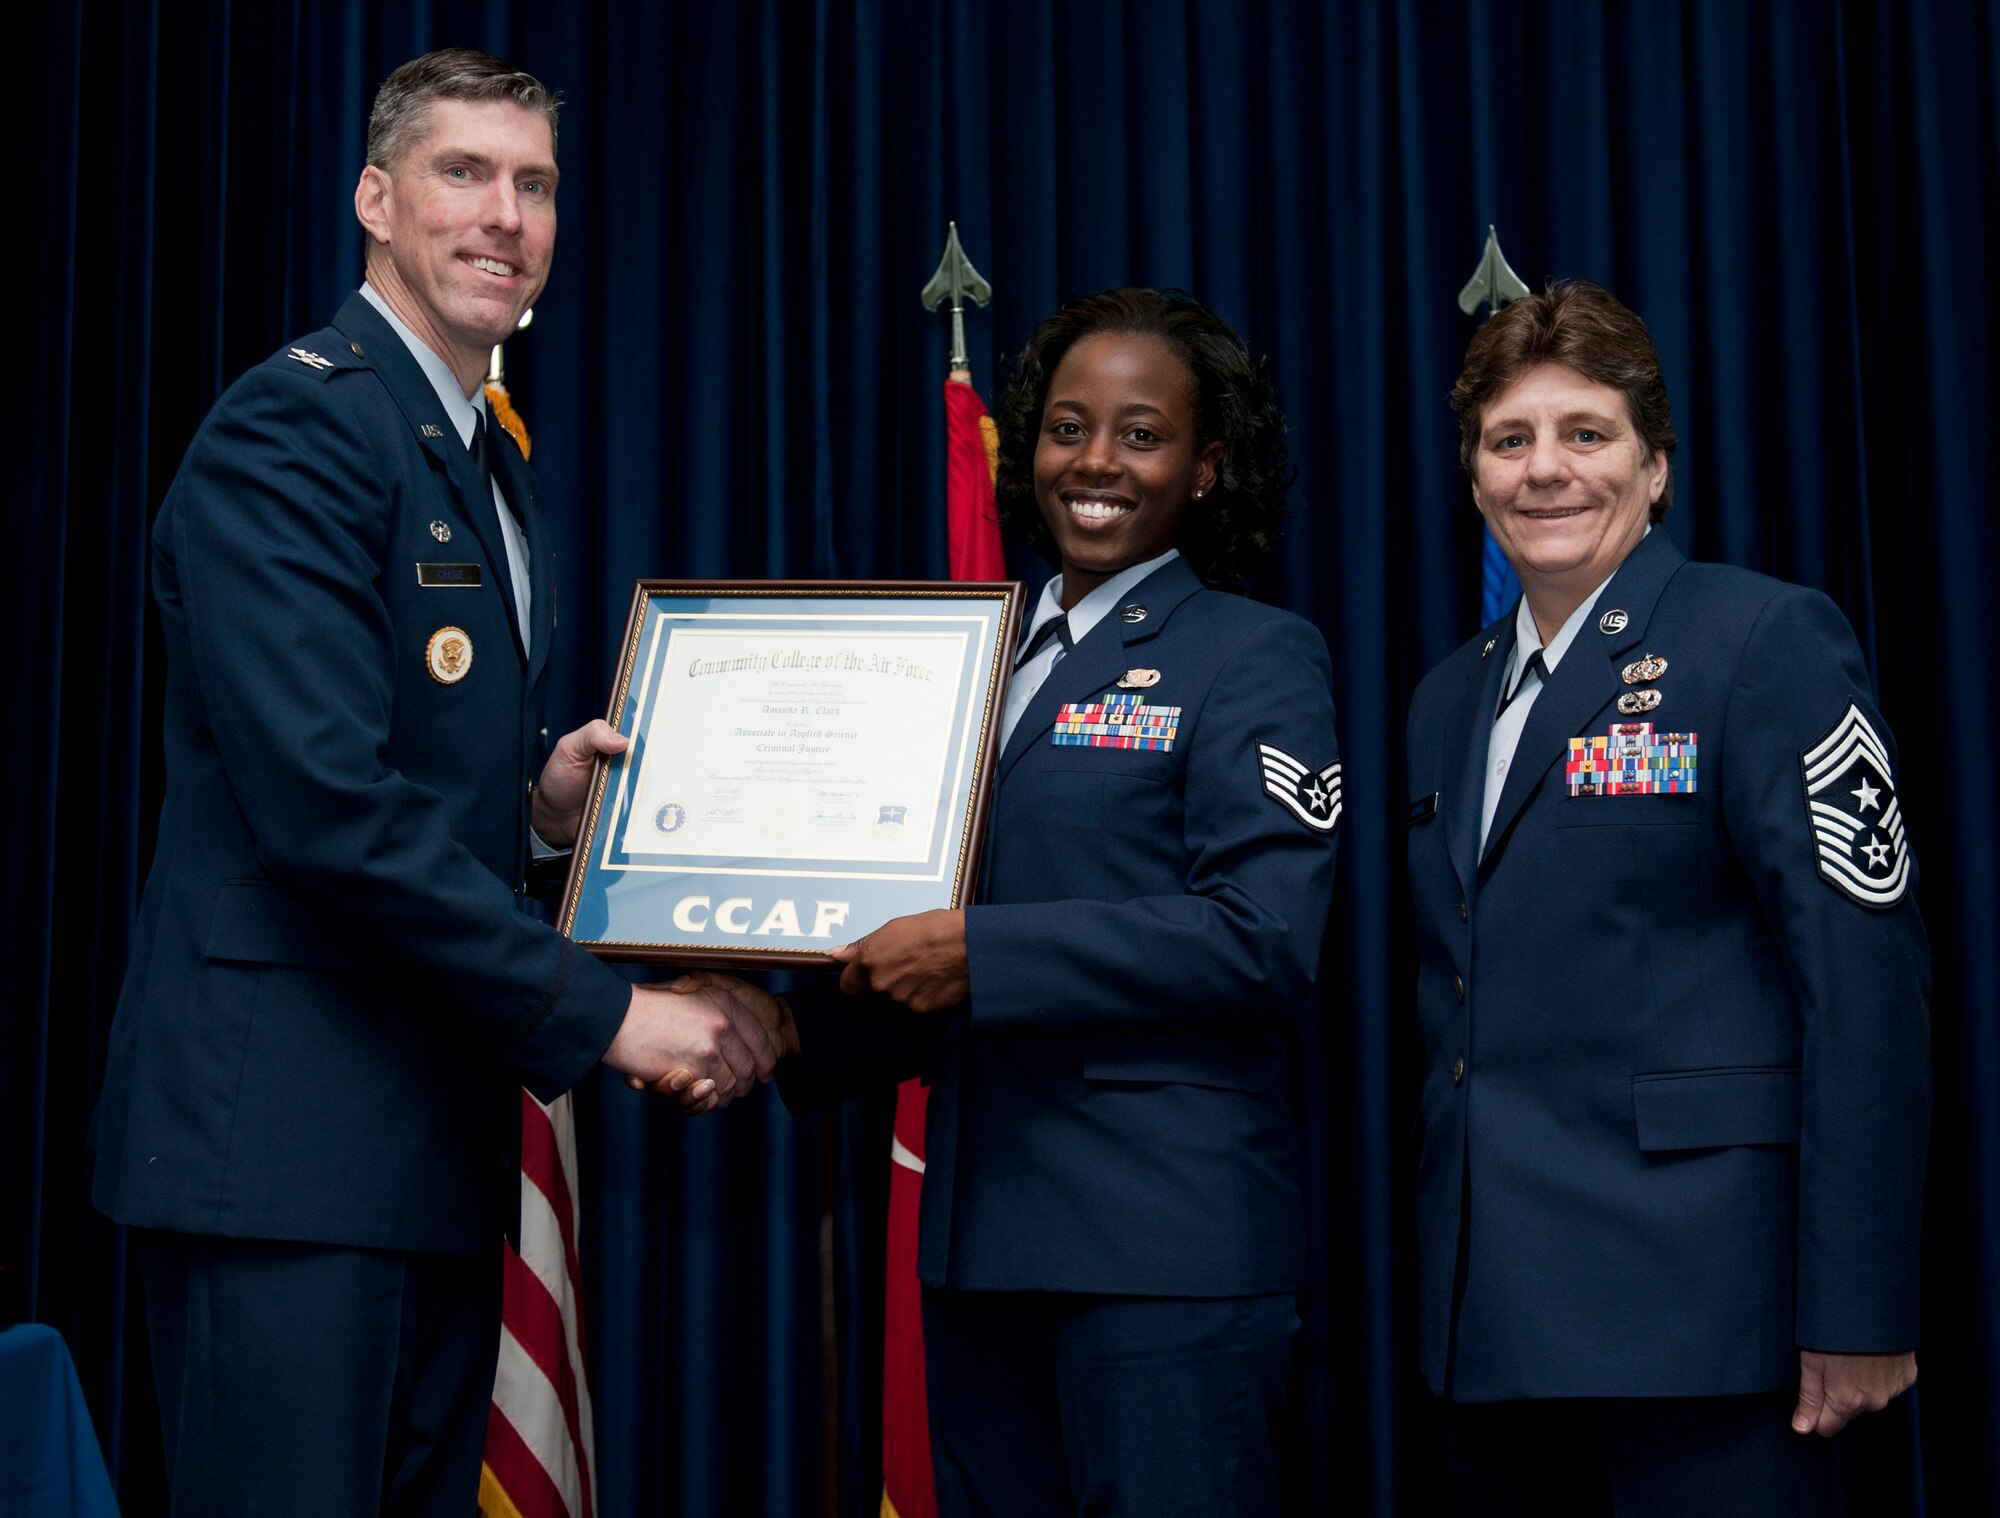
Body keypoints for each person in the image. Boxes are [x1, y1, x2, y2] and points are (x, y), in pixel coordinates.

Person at [90, 49, 782, 1517]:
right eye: (462, 174)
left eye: (535, 184)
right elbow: (325, 811)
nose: (504, 216)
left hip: (421, 1149)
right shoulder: (294, 429)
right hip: (285, 1156)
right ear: (375, 200)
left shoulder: (474, 455)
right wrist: (613, 1015)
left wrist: (538, 812)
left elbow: (397, 769)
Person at [761, 289, 1343, 1516]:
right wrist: (776, 1026)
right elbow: (909, 918)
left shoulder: (1250, 654)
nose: (1095, 462)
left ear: (1206, 465)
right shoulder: (965, 658)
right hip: (982, 1242)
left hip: (1164, 1251)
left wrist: (981, 954)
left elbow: (1261, 937)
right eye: (1067, 427)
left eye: (1142, 434)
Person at [1405, 278, 1931, 1515]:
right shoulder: (1443, 698)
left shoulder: (1760, 640)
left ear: (1654, 469)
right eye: (1508, 440)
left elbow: (1862, 984)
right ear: (1473, 478)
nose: (1544, 469)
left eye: (1584, 433)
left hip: (1708, 1318)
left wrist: (1859, 1305)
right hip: (1492, 1326)